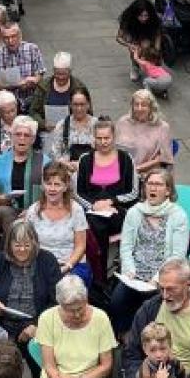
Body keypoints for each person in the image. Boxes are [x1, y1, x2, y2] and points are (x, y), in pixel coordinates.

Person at [0, 221, 61, 378]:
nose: (22, 250)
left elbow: (57, 300)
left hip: (36, 323)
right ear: (9, 244)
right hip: (2, 323)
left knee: (42, 364)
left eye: (27, 245)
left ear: (34, 243)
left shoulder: (47, 260)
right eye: (17, 245)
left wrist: (37, 325)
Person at [110, 168, 190, 334]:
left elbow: (177, 256)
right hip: (135, 274)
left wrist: (156, 280)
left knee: (152, 306)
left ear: (168, 191)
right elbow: (126, 246)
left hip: (162, 276)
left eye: (158, 184)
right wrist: (129, 271)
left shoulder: (178, 215)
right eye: (149, 183)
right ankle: (126, 338)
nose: (153, 188)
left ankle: (154, 338)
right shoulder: (134, 212)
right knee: (117, 302)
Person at [75, 119, 139, 277]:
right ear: (94, 138)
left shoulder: (125, 158)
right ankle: (101, 274)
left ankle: (98, 275)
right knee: (95, 222)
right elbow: (78, 192)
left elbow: (134, 192)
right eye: (99, 138)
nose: (103, 142)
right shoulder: (85, 159)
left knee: (95, 225)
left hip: (118, 210)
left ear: (114, 138)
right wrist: (93, 206)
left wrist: (112, 201)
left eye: (107, 138)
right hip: (91, 211)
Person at [0, 115, 50, 234]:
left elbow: (55, 191)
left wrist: (33, 211)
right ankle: (15, 241)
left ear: (33, 139)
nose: (22, 138)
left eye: (26, 135)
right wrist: (1, 199)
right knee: (5, 212)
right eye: (18, 134)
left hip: (39, 211)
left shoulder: (45, 162)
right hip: (6, 214)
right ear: (12, 136)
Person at [25, 163, 89, 275]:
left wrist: (67, 266)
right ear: (43, 185)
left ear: (65, 186)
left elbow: (80, 246)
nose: (52, 189)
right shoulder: (33, 210)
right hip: (41, 265)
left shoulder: (76, 210)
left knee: (68, 284)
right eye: (48, 184)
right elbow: (27, 243)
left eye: (57, 184)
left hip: (72, 265)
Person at [0, 23, 46, 113]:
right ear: (2, 38)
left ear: (20, 36)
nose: (10, 41)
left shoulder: (32, 49)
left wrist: (33, 80)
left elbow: (40, 75)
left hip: (31, 99)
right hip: (8, 103)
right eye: (6, 38)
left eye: (13, 36)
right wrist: (18, 84)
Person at [115, 89, 174, 175]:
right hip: (121, 170)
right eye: (136, 104)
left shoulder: (162, 127)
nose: (139, 109)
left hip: (147, 174)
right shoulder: (123, 122)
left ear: (151, 107)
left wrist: (136, 169)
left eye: (143, 105)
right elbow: (113, 147)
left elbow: (163, 159)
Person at [117, 0, 163, 84]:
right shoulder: (127, 19)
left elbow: (158, 35)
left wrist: (157, 49)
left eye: (146, 16)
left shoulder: (154, 19)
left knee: (146, 47)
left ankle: (151, 67)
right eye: (141, 16)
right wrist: (129, 45)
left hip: (147, 33)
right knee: (136, 49)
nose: (144, 18)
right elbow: (119, 38)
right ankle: (135, 67)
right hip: (133, 34)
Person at [50, 86, 97, 171]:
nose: (79, 108)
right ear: (70, 105)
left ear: (88, 105)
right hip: (67, 171)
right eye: (75, 104)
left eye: (82, 104)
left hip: (92, 170)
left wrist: (83, 165)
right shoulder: (62, 125)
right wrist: (65, 164)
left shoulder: (97, 125)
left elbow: (105, 152)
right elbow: (55, 154)